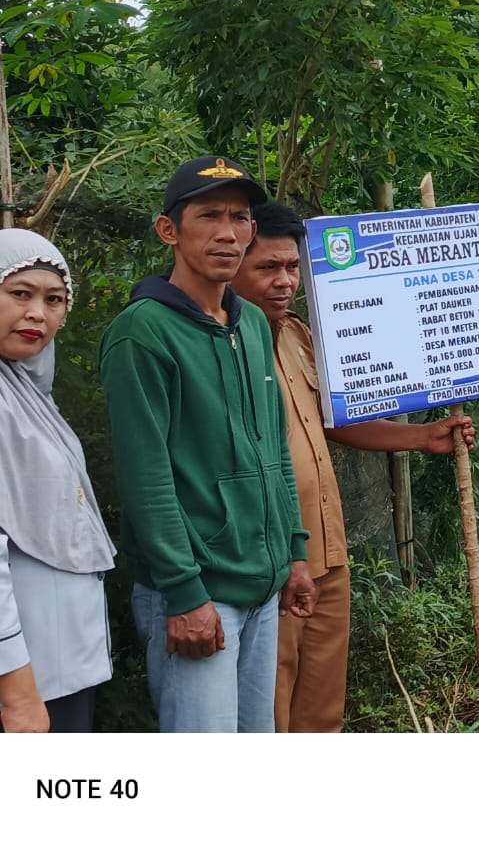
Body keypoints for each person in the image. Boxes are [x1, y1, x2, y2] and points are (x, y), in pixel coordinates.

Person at [231, 202, 476, 732]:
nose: (284, 281)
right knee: (266, 714)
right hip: (268, 562)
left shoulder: (298, 337)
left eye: (292, 267)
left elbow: (333, 421)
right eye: (268, 268)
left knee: (321, 713)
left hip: (325, 551)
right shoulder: (224, 347)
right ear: (233, 265)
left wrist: (421, 436)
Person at [99, 156, 316, 732]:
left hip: (263, 584)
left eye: (239, 217)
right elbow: (146, 478)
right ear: (169, 230)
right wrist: (184, 593)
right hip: (198, 593)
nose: (227, 232)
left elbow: (274, 450)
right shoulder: (142, 332)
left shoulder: (248, 323)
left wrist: (294, 553)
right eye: (209, 216)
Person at [0, 231, 115, 732]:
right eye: (19, 293)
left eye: (54, 299)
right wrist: (18, 693)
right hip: (24, 684)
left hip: (60, 673)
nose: (37, 314)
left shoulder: (29, 398)